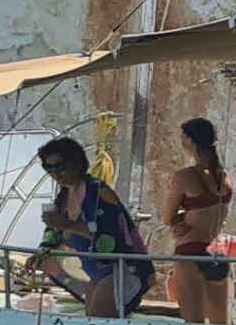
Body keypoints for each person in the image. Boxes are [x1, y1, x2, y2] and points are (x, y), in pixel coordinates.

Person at [35, 135, 150, 315]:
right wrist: (42, 252)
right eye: (49, 169)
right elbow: (54, 231)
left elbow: (110, 235)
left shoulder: (97, 193)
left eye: (61, 167)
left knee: (99, 321)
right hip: (96, 271)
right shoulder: (64, 194)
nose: (56, 174)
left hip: (119, 269)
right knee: (91, 320)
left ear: (76, 163)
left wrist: (68, 225)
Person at [164, 117, 236, 324]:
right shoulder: (224, 177)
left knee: (194, 324)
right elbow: (215, 211)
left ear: (190, 140)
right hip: (218, 251)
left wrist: (182, 220)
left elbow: (167, 217)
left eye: (183, 136)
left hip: (191, 250)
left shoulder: (184, 177)